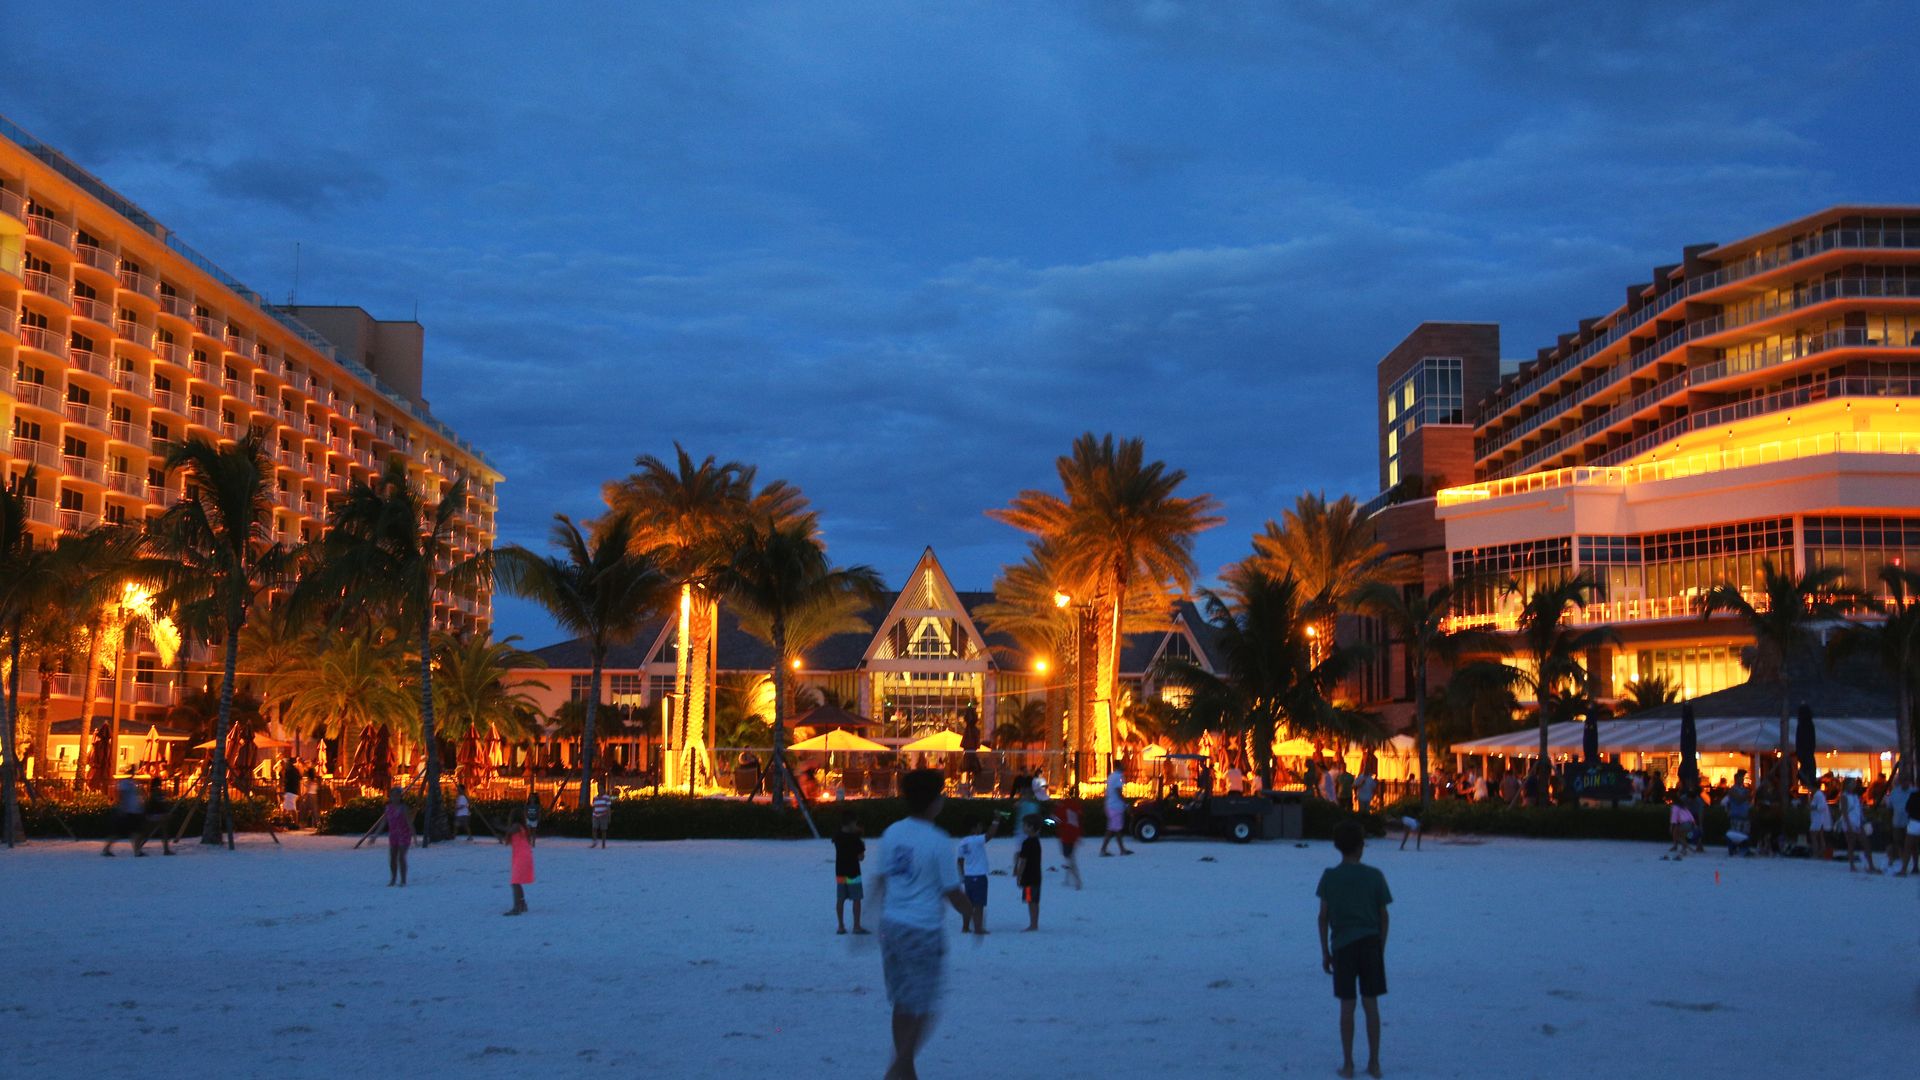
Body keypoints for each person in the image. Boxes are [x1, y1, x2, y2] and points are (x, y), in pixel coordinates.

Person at [872, 768, 975, 1080]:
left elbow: (880, 879)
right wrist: (970, 912)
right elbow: (951, 890)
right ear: (934, 802)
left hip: (892, 927)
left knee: (903, 1002)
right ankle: (897, 1069)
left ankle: (906, 1072)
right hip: (922, 929)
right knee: (925, 1006)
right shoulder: (937, 840)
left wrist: (869, 917)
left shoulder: (893, 832)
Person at [1317, 819, 1391, 1080]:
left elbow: (1323, 916)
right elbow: (1384, 916)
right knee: (1371, 1005)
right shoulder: (1374, 876)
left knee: (1346, 1007)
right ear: (1361, 847)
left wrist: (1325, 951)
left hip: (1342, 946)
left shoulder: (1330, 877)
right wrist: (1379, 946)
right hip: (1370, 944)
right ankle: (1374, 1063)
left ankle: (1348, 1064)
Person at [956, 819, 992, 934]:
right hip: (979, 876)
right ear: (973, 829)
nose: (980, 829)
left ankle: (965, 927)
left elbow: (960, 860)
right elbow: (989, 835)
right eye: (979, 826)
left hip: (968, 876)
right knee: (979, 904)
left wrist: (962, 874)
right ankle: (978, 928)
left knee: (968, 903)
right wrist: (996, 821)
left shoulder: (962, 842)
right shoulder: (977, 840)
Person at [833, 818, 869, 935]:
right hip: (854, 873)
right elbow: (860, 858)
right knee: (856, 899)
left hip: (840, 872)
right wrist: (862, 847)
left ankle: (840, 926)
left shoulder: (837, 837)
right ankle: (856, 926)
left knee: (840, 899)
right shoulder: (856, 840)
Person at [1836, 777, 1875, 872]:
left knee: (1865, 843)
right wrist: (1848, 824)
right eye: (1852, 783)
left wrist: (1862, 819)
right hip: (1850, 822)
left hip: (1857, 821)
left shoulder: (1855, 796)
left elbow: (1859, 810)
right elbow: (1844, 812)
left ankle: (1871, 865)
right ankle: (1852, 865)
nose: (1854, 785)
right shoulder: (1844, 796)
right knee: (1851, 844)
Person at [502, 807, 536, 915]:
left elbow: (509, 831)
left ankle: (517, 907)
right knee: (516, 882)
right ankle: (522, 904)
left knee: (515, 882)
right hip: (522, 856)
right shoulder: (522, 827)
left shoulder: (516, 826)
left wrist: (497, 825)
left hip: (522, 856)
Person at [1014, 814, 1044, 932]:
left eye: (1025, 825)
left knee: (1030, 900)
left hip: (1028, 877)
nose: (1023, 827)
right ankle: (1034, 923)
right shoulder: (1036, 841)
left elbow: (1023, 861)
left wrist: (1019, 875)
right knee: (1035, 901)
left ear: (1031, 827)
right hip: (1037, 876)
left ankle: (1032, 924)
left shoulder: (1027, 843)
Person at [102, 775, 143, 856]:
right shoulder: (126, 783)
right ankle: (137, 851)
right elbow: (122, 796)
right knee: (132, 831)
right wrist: (122, 807)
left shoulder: (130, 783)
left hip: (131, 810)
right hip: (129, 811)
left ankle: (137, 850)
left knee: (132, 831)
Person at [134, 778, 173, 856]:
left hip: (153, 815)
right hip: (156, 815)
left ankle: (137, 848)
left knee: (148, 832)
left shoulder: (153, 792)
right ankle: (166, 850)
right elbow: (160, 803)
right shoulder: (157, 792)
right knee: (162, 832)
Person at [1099, 765, 1131, 856]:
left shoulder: (1111, 776)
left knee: (1114, 828)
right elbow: (1118, 791)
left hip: (1110, 805)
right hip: (1116, 806)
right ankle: (1106, 850)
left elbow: (1108, 791)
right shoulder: (1118, 777)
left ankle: (1120, 849)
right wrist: (1126, 804)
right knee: (1114, 829)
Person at [384, 787, 413, 886]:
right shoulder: (388, 808)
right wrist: (375, 835)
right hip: (393, 835)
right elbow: (384, 821)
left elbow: (409, 822)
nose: (395, 798)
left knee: (401, 857)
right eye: (393, 796)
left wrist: (415, 836)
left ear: (401, 797)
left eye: (397, 795)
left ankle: (403, 880)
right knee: (392, 857)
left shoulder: (404, 808)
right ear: (390, 797)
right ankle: (393, 878)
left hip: (404, 834)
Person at [1055, 798, 1083, 890]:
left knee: (1070, 859)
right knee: (1071, 858)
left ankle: (1077, 881)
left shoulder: (1060, 809)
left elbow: (1057, 821)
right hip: (1075, 834)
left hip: (1065, 835)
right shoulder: (1073, 805)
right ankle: (1067, 879)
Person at [1724, 782, 1753, 857]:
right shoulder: (1732, 790)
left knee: (1745, 834)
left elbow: (1748, 800)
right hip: (1735, 815)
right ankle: (1732, 849)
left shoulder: (1744, 791)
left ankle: (1744, 849)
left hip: (1744, 815)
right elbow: (1739, 800)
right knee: (1734, 834)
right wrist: (1746, 795)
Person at [1806, 782, 1832, 861]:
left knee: (1814, 835)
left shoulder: (1818, 795)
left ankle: (1816, 853)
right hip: (1819, 818)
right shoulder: (1818, 795)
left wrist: (1812, 807)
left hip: (1819, 818)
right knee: (1820, 835)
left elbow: (1821, 807)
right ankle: (1821, 852)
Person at [1665, 795, 1694, 860]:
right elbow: (1691, 816)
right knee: (1682, 837)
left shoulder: (1675, 807)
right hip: (1690, 823)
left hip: (1684, 824)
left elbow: (1674, 818)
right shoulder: (1683, 807)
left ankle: (1687, 848)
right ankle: (1684, 849)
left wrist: (1671, 827)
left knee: (1677, 836)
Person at [590, 782, 614, 848]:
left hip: (603, 815)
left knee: (603, 830)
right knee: (594, 828)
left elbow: (608, 807)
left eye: (601, 788)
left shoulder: (606, 797)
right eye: (598, 788)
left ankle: (603, 844)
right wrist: (593, 814)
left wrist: (609, 816)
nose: (599, 790)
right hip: (595, 815)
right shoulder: (595, 798)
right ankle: (594, 842)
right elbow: (594, 807)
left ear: (603, 789)